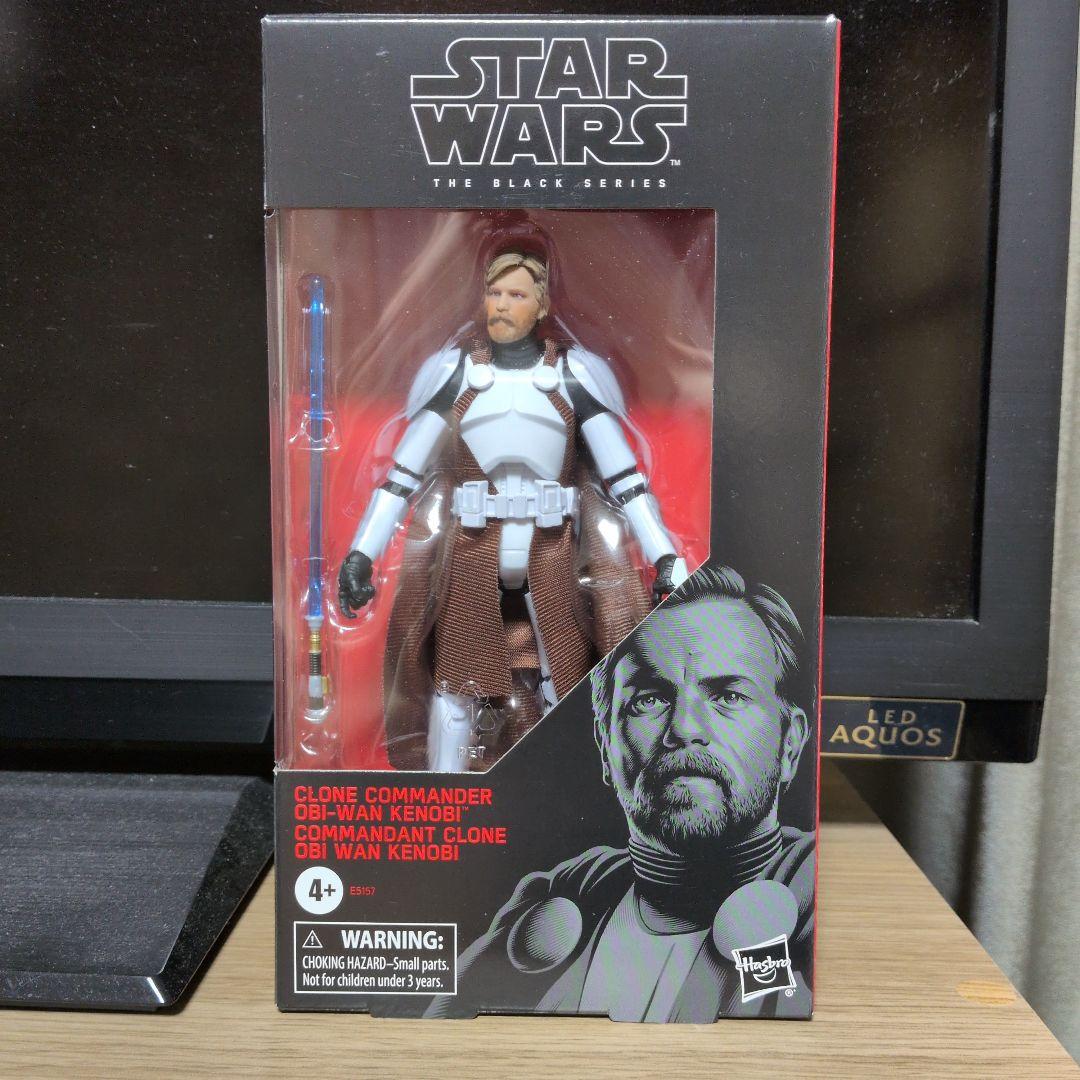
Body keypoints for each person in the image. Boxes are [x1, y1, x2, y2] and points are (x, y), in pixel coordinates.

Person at [336, 248, 687, 772]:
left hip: (552, 550)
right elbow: (402, 475)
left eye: (516, 294)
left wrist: (664, 556)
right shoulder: (455, 374)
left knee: (565, 676)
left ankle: (569, 787)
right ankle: (445, 790)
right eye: (494, 293)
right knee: (456, 680)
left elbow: (626, 479)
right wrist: (363, 553)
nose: (501, 305)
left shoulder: (572, 375)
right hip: (473, 549)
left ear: (541, 305)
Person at [427, 564, 815, 1022]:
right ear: (604, 742)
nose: (685, 729)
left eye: (728, 697)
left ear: (790, 742)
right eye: (650, 699)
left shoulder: (806, 896)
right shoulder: (559, 900)